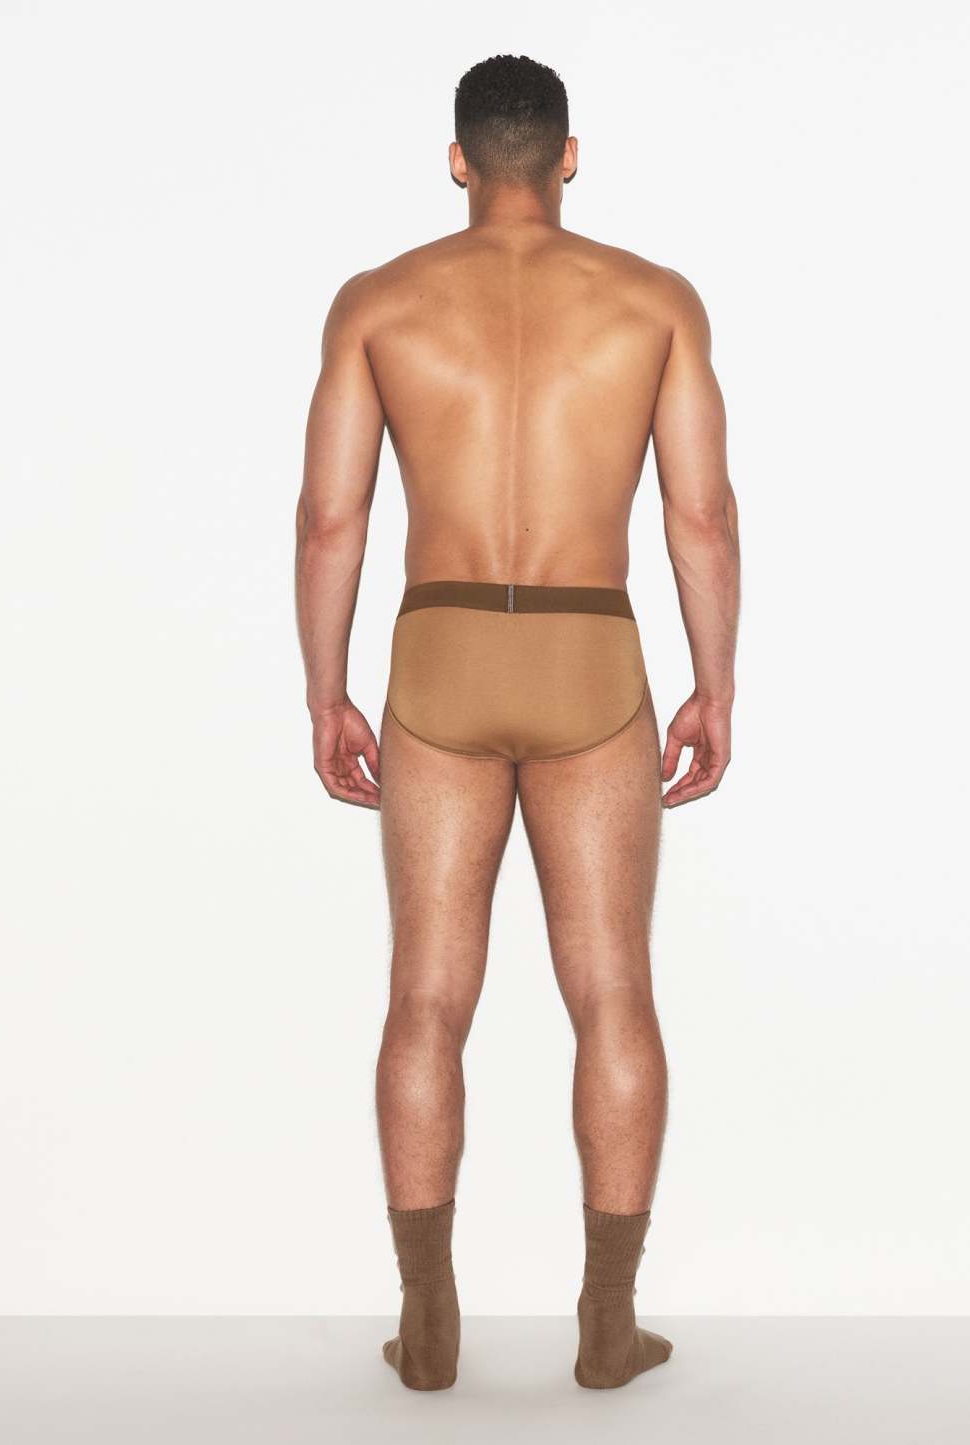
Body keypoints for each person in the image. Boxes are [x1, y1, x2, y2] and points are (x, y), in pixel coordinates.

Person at [295, 53, 740, 1391]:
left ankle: (427, 1322)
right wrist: (714, 683)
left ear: (457, 161)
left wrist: (326, 690)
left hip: (439, 648)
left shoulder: (378, 303)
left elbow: (331, 517)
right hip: (587, 649)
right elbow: (700, 513)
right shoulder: (653, 301)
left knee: (426, 997)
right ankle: (607, 1323)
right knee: (611, 991)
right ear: (568, 156)